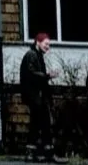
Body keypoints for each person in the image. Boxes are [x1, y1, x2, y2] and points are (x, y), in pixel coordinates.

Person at [20, 32, 54, 162]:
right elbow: (32, 74)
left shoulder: (37, 55)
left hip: (38, 96)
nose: (48, 47)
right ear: (38, 42)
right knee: (38, 123)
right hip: (35, 96)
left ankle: (44, 152)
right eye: (46, 44)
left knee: (42, 123)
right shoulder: (32, 55)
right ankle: (39, 152)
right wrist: (46, 76)